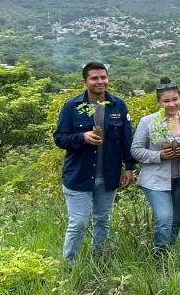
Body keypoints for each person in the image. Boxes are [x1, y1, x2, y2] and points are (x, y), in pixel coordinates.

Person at [53, 62, 135, 263]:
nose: (100, 81)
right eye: (95, 78)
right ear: (85, 82)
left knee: (102, 220)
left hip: (108, 175)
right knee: (79, 223)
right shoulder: (72, 106)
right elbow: (60, 138)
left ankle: (98, 261)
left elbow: (127, 139)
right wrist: (82, 137)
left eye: (103, 77)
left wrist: (129, 167)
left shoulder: (118, 105)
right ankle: (69, 265)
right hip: (78, 176)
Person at [130, 77, 180, 252]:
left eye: (175, 99)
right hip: (155, 179)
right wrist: (159, 155)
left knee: (176, 220)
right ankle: (160, 254)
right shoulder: (148, 121)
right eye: (166, 101)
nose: (171, 104)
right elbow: (136, 150)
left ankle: (170, 254)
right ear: (159, 102)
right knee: (164, 218)